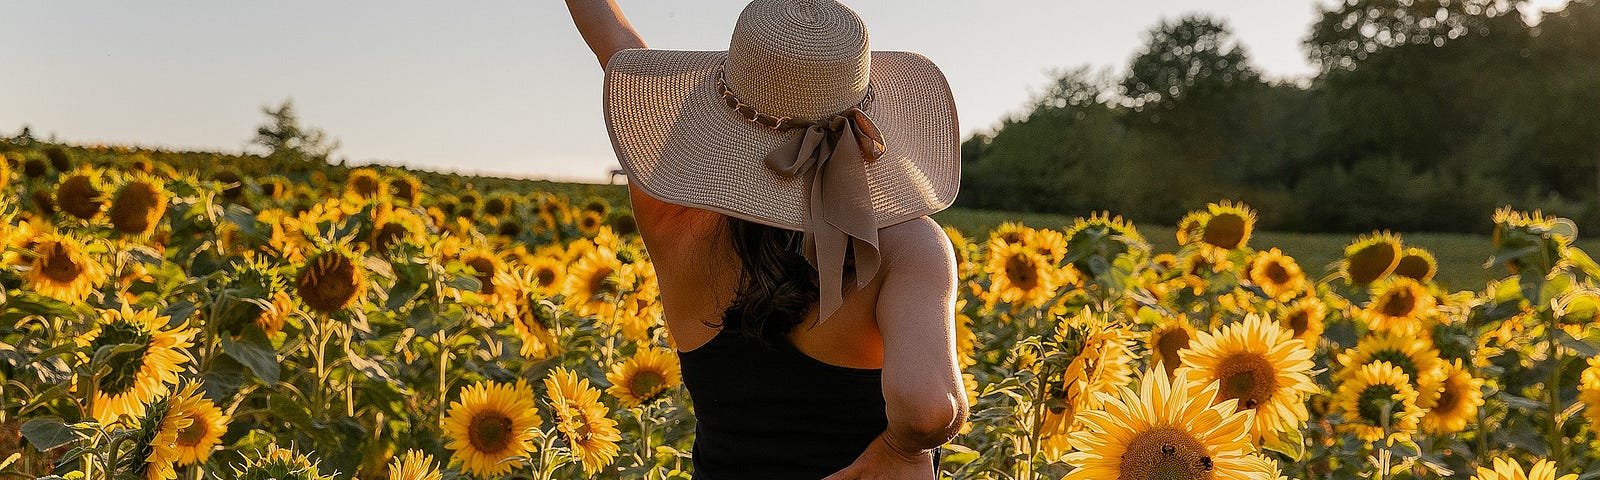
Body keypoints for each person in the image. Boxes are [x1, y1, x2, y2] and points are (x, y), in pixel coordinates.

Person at [565, 1, 967, 478]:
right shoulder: (907, 246)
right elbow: (927, 409)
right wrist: (903, 450)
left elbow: (618, 49)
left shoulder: (671, 212)